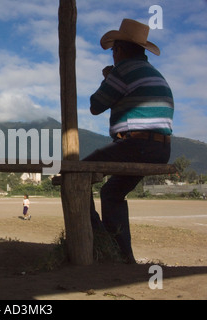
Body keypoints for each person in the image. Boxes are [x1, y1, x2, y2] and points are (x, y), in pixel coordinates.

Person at [83, 19, 174, 264]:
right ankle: (123, 256)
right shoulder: (153, 73)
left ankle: (103, 242)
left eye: (114, 50)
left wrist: (109, 78)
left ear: (119, 50)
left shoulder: (123, 70)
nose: (113, 55)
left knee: (78, 175)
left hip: (137, 146)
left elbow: (95, 106)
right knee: (112, 192)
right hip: (160, 148)